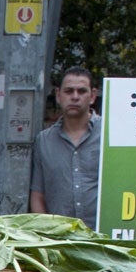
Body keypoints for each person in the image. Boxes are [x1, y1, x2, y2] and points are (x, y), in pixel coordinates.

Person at [30, 66, 101, 222]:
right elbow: (37, 195)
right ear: (58, 95)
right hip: (61, 241)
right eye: (68, 91)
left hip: (103, 239)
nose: (75, 97)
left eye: (82, 91)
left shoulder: (109, 136)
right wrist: (47, 235)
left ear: (92, 96)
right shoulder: (44, 141)